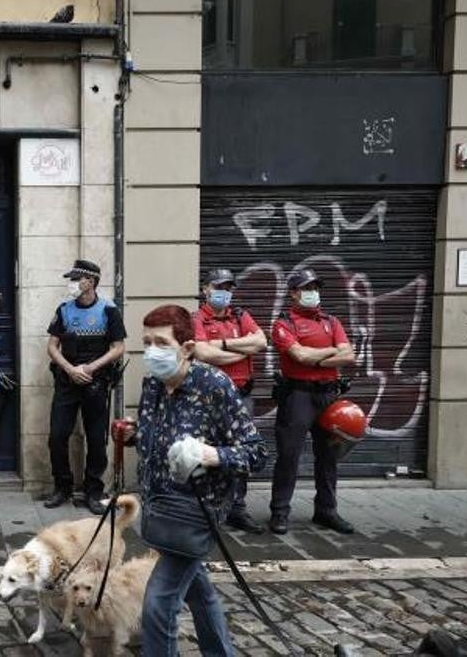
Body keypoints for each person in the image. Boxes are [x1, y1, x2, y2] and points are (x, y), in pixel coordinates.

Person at [127, 304, 266, 656]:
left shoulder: (214, 385)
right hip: (161, 510)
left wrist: (211, 454)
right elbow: (154, 436)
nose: (151, 351)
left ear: (187, 348)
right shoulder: (154, 384)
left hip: (195, 514)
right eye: (146, 342)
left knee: (158, 604)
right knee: (199, 592)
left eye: (161, 342)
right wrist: (134, 433)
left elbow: (255, 453)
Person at [269, 268, 357, 535]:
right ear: (293, 293)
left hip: (329, 395)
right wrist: (331, 352)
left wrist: (316, 355)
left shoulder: (331, 321)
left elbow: (349, 355)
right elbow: (299, 356)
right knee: (289, 455)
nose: (313, 293)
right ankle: (280, 513)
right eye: (307, 289)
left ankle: (326, 511)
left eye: (315, 288)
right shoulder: (284, 323)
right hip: (298, 396)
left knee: (329, 456)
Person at [44, 259, 126, 515]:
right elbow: (52, 346)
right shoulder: (65, 309)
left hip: (96, 382)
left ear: (90, 282)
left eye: (76, 279)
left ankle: (93, 490)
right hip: (67, 381)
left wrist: (90, 368)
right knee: (57, 436)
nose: (72, 284)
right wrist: (70, 369)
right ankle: (62, 487)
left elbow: (118, 348)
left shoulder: (108, 310)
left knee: (96, 439)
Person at [191, 268, 268, 534]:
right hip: (210, 399)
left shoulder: (240, 315)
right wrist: (239, 350)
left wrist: (221, 345)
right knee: (210, 451)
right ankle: (209, 509)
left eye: (229, 287)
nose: (224, 292)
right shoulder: (197, 318)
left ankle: (238, 509)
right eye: (219, 286)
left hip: (242, 396)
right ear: (206, 289)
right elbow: (203, 353)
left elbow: (260, 342)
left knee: (241, 452)